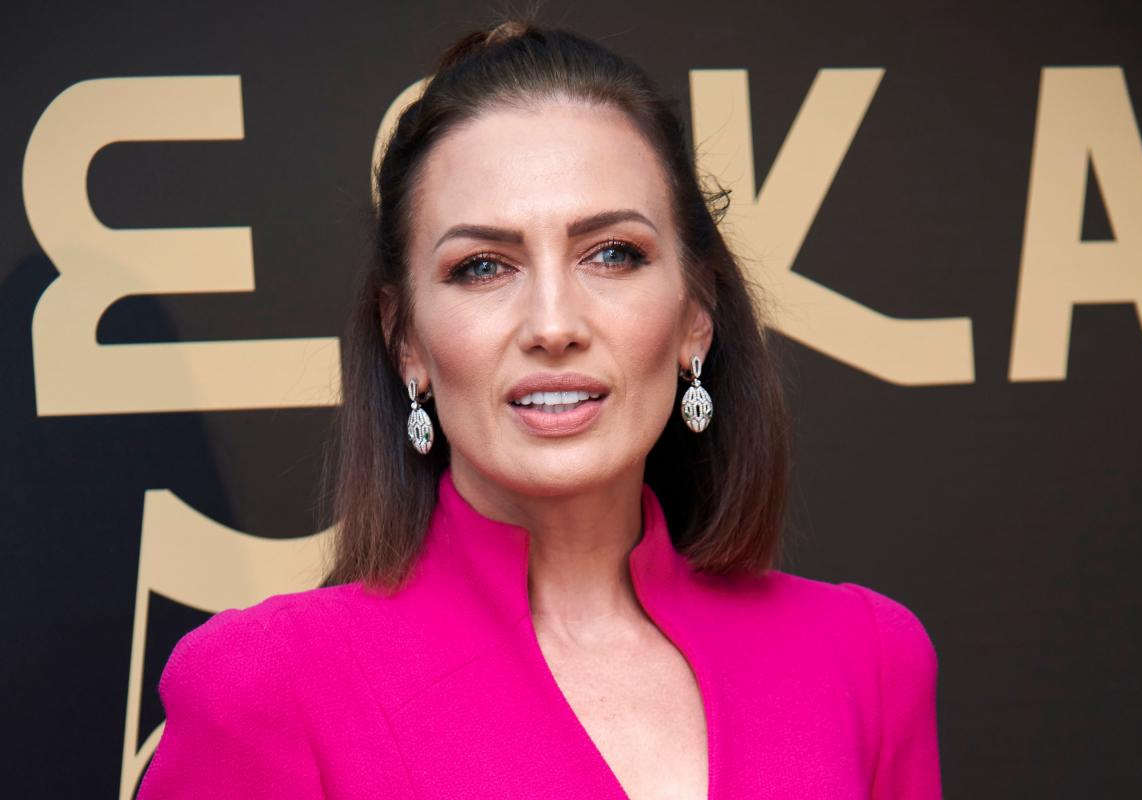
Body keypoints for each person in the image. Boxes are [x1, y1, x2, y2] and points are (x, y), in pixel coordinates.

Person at [137, 20, 941, 800]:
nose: (553, 326)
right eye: (483, 266)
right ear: (405, 340)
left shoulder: (866, 660)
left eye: (612, 254)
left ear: (696, 316)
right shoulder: (267, 688)